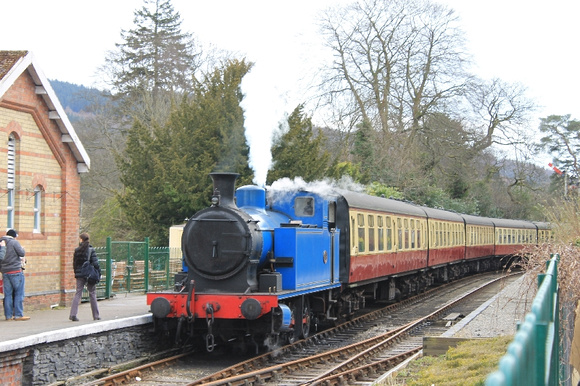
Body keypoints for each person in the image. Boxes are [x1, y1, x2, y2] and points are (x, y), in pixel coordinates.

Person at [69, 233, 101, 321]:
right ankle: (96, 315)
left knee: (78, 293)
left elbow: (74, 264)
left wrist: (76, 273)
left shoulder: (77, 250)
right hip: (89, 274)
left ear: (81, 240)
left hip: (80, 274)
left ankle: (73, 314)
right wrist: (98, 272)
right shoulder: (91, 250)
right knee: (92, 293)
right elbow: (95, 263)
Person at [1, 229, 29, 321]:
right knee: (18, 294)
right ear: (14, 236)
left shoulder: (1, 242)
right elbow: (21, 253)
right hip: (16, 271)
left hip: (5, 272)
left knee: (7, 294)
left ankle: (8, 316)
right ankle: (18, 315)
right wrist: (22, 248)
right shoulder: (14, 242)